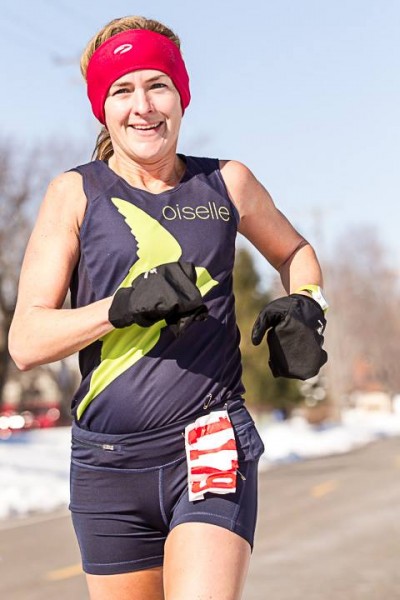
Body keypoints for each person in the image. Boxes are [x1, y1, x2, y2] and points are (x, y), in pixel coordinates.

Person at [8, 15, 327, 600]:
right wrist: (122, 307)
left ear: (181, 96)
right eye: (122, 90)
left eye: (158, 84)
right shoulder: (75, 194)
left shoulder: (226, 183)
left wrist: (306, 301)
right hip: (107, 466)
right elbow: (27, 340)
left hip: (208, 440)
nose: (144, 106)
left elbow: (296, 250)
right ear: (102, 108)